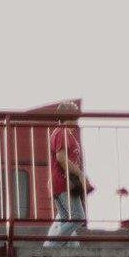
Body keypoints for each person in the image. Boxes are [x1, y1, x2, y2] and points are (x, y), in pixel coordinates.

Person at [44, 101, 93, 244]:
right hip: (64, 183)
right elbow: (61, 158)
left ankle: (60, 249)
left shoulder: (62, 132)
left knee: (67, 219)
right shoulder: (62, 132)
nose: (78, 117)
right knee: (78, 217)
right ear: (70, 115)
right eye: (75, 114)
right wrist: (79, 173)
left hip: (58, 183)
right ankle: (50, 247)